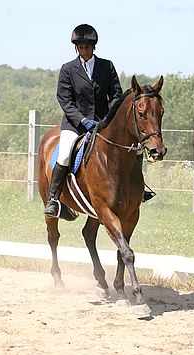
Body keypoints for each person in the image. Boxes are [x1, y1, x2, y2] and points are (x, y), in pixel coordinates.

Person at [44, 23, 156, 217]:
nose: (84, 50)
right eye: (80, 47)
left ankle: (140, 188)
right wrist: (82, 120)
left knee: (134, 147)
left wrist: (108, 118)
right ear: (76, 48)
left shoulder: (106, 66)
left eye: (87, 47)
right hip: (75, 124)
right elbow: (65, 99)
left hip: (103, 123)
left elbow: (116, 95)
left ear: (93, 47)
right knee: (63, 154)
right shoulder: (68, 69)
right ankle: (54, 198)